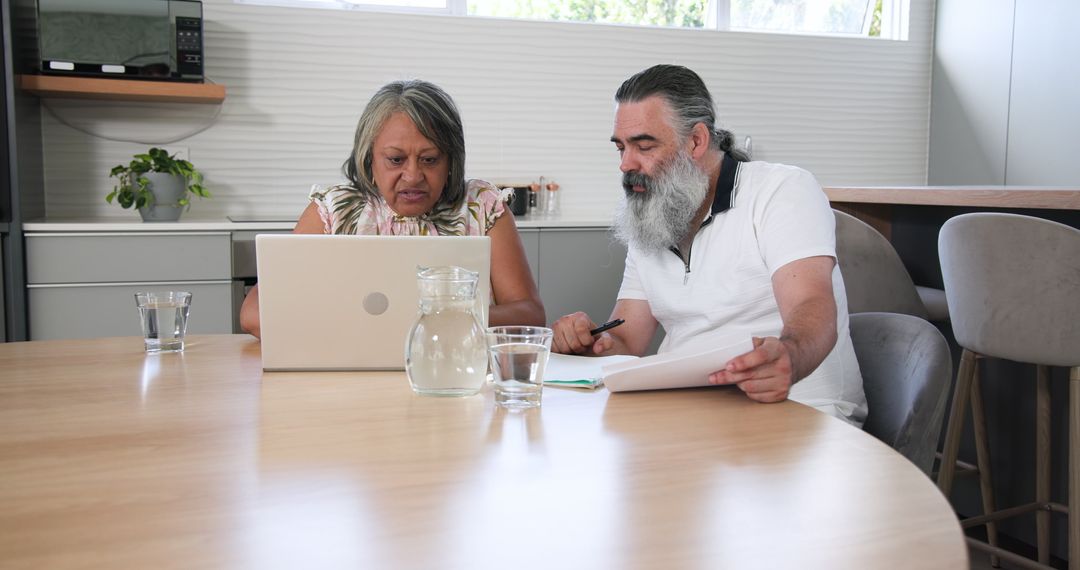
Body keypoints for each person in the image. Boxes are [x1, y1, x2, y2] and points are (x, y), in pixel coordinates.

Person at [551, 64, 866, 426]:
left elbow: (812, 304)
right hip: (691, 414)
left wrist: (790, 357)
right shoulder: (652, 211)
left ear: (697, 141)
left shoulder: (782, 190)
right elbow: (625, 340)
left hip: (799, 408)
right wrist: (588, 343)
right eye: (621, 147)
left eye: (644, 146)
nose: (625, 164)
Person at [240, 79, 545, 338]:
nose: (412, 176)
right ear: (369, 159)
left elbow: (529, 314)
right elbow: (253, 313)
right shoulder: (334, 211)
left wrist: (437, 318)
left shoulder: (481, 207)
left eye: (429, 160)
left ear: (451, 162)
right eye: (396, 160)